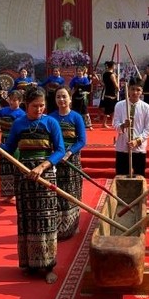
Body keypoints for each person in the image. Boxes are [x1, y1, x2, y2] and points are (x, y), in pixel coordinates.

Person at [0, 87, 65, 283]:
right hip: (24, 176)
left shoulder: (51, 123)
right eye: (35, 106)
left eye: (42, 105)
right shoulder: (18, 124)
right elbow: (9, 149)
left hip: (44, 176)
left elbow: (60, 150)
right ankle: (30, 263)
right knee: (27, 219)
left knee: (46, 220)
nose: (39, 109)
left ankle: (49, 265)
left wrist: (43, 166)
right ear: (27, 104)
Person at [49, 87, 87, 239]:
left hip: (72, 159)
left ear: (70, 99)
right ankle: (58, 226)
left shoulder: (76, 117)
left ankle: (73, 225)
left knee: (73, 192)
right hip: (55, 160)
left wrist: (69, 152)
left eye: (64, 96)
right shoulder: (50, 117)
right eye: (58, 97)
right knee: (56, 193)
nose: (61, 100)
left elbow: (82, 140)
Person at [0, 90, 26, 199]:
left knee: (15, 167)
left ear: (20, 101)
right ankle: (8, 193)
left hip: (15, 142)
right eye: (10, 100)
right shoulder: (5, 110)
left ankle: (17, 192)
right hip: (4, 140)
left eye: (15, 100)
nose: (12, 102)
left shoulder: (21, 114)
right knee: (5, 167)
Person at [113, 79, 149, 176]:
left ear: (142, 91)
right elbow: (115, 124)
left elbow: (148, 129)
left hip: (139, 148)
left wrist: (137, 141)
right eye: (132, 89)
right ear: (128, 90)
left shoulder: (146, 107)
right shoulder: (119, 105)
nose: (135, 92)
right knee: (121, 176)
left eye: (138, 90)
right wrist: (123, 125)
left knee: (139, 176)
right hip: (123, 146)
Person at [99, 61, 119, 128]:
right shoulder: (111, 75)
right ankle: (104, 123)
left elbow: (103, 83)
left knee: (113, 109)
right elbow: (115, 84)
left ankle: (113, 122)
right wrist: (118, 87)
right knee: (108, 109)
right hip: (111, 93)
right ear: (113, 66)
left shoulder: (104, 74)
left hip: (107, 92)